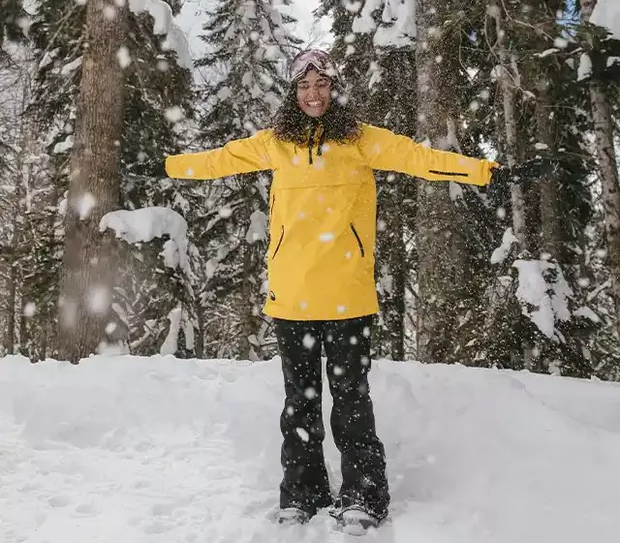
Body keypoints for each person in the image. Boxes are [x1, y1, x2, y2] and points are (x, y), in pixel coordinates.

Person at [165, 49, 500, 530]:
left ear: (335, 88)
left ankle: (363, 494)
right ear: (293, 91)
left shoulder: (361, 140)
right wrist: (168, 166)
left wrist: (485, 171)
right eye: (304, 85)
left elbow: (420, 159)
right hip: (291, 296)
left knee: (350, 400)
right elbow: (219, 161)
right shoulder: (274, 144)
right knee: (298, 403)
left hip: (348, 295)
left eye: (321, 84)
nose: (313, 93)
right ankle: (302, 492)